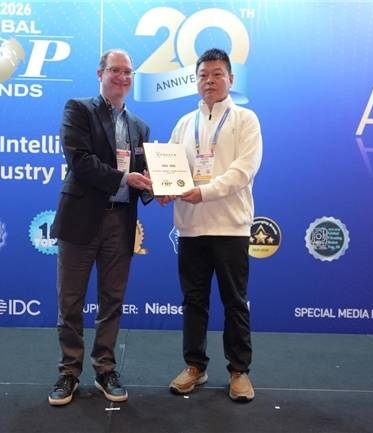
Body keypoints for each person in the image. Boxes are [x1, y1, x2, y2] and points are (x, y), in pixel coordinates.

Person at [48, 49, 152, 406]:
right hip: (82, 219)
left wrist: (158, 188)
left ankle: (105, 368)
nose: (122, 77)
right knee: (70, 301)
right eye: (115, 70)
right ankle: (68, 371)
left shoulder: (140, 127)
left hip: (120, 222)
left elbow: (142, 175)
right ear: (100, 73)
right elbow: (80, 161)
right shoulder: (78, 110)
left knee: (112, 300)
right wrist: (125, 178)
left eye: (128, 72)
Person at [158, 48, 262, 402]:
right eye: (203, 75)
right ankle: (195, 366)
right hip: (190, 229)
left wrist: (203, 192)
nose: (210, 81)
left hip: (230, 228)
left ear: (231, 79)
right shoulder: (184, 124)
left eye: (217, 74)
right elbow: (171, 168)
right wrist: (165, 188)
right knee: (193, 302)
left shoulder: (245, 120)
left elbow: (243, 171)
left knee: (235, 302)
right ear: (195, 81)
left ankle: (239, 371)